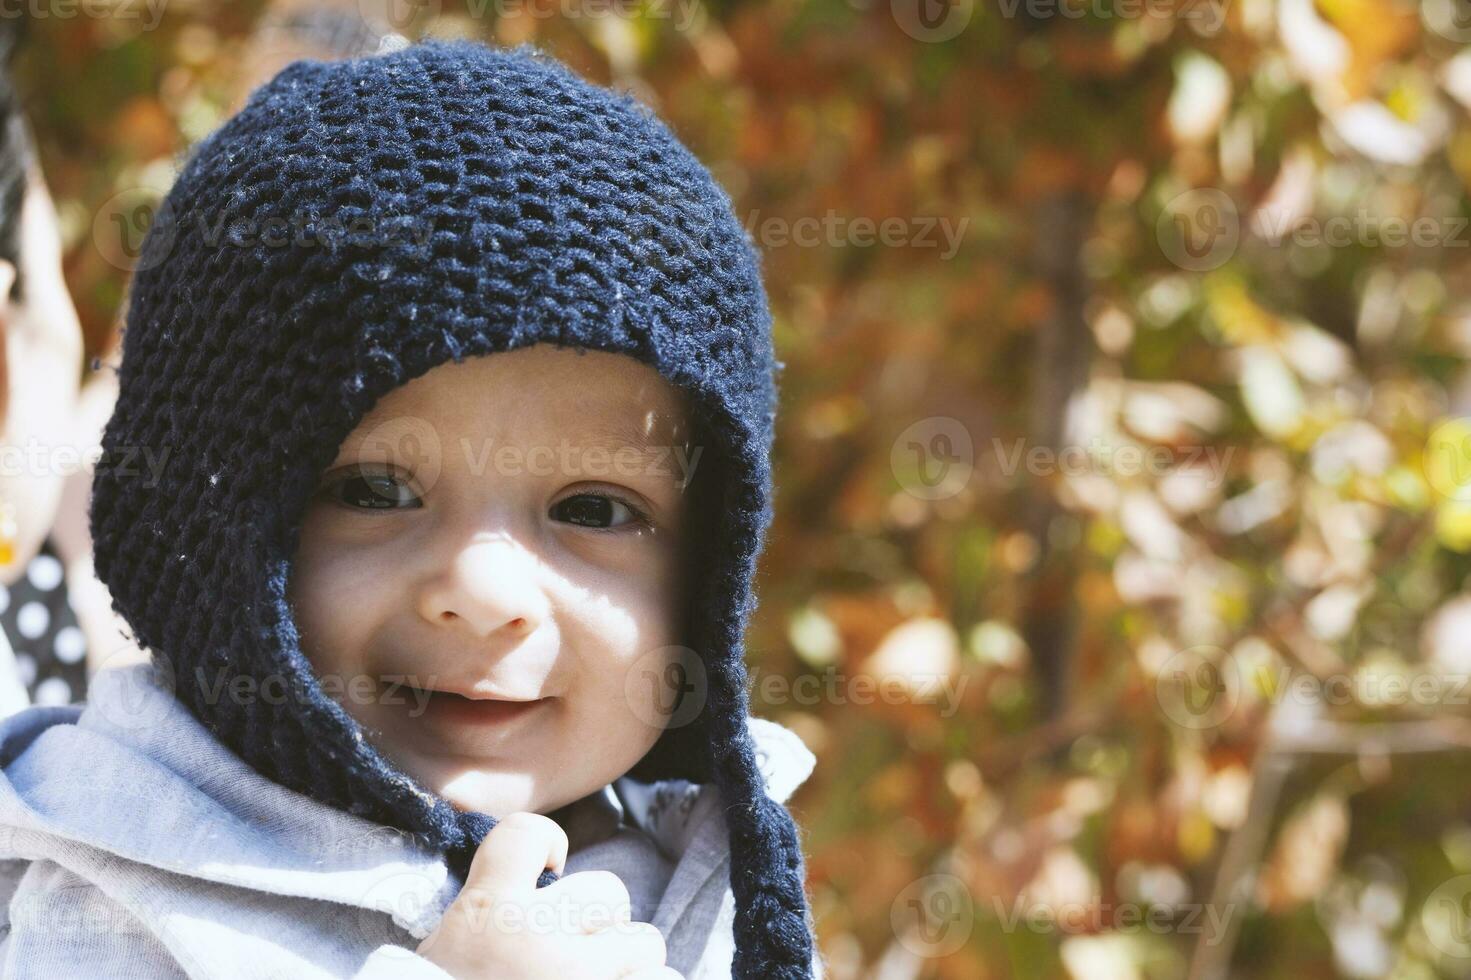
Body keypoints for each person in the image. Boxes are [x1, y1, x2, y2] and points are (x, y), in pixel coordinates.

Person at [0, 39, 824, 979]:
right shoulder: (113, 884)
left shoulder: (714, 881)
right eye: (374, 491)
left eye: (594, 507)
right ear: (206, 536)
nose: (483, 590)